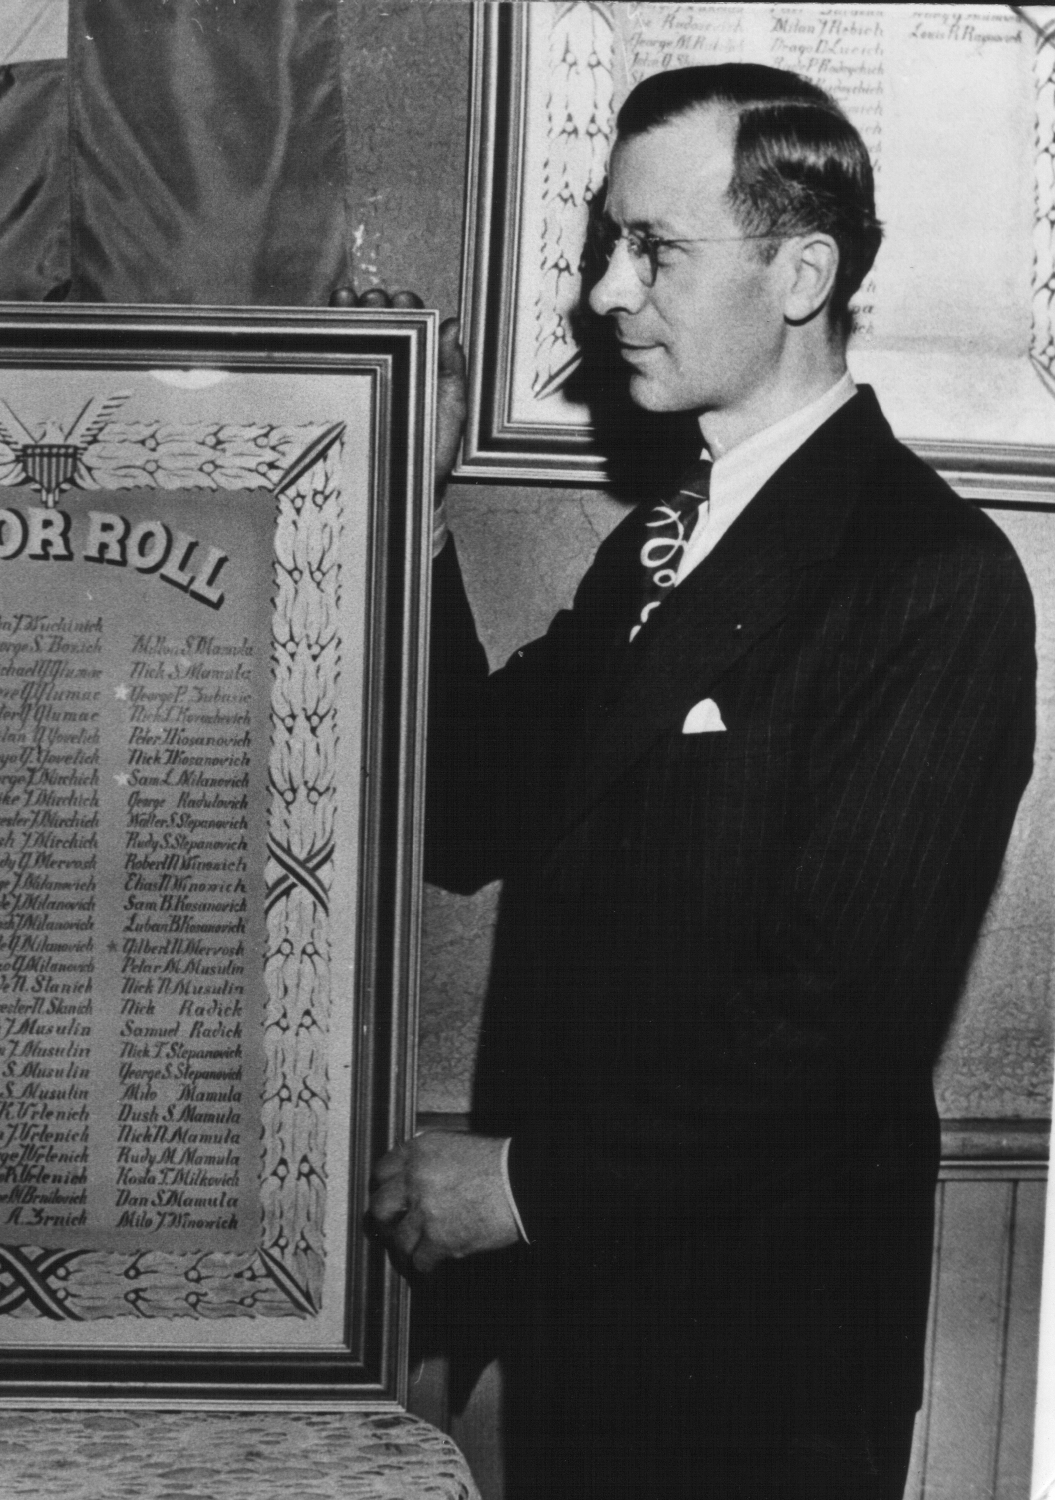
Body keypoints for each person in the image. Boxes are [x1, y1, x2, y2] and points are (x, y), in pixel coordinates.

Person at [367, 64, 1036, 1499]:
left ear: (801, 274)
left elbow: (831, 1029)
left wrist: (521, 1183)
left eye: (653, 249)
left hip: (760, 1365)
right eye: (609, 244)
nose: (605, 293)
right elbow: (470, 804)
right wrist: (410, 501)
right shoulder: (663, 545)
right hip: (599, 1320)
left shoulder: (934, 577)